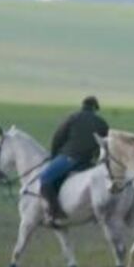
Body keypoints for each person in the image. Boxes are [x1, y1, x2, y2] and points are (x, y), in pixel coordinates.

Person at [40, 95, 109, 224]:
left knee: (45, 177)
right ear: (95, 109)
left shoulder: (73, 118)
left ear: (83, 106)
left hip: (69, 157)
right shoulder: (102, 123)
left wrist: (54, 156)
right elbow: (105, 145)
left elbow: (58, 137)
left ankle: (54, 212)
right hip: (88, 162)